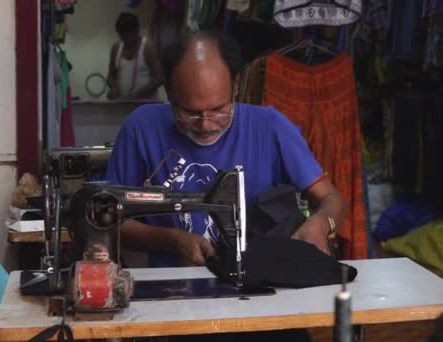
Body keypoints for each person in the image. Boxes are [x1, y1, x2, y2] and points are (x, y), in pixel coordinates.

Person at [105, 31, 347, 269]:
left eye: (218, 109)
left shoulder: (271, 128)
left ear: (236, 85)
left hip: (262, 284)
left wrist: (322, 223)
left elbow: (331, 199)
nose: (205, 124)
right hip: (172, 289)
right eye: (189, 112)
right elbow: (110, 222)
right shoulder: (141, 129)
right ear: (168, 91)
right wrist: (170, 239)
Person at [106, 12, 162, 101]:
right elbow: (110, 76)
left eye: (128, 37)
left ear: (137, 31)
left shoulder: (148, 48)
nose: (125, 40)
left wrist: (137, 95)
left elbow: (160, 79)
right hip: (123, 104)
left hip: (146, 104)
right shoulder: (116, 47)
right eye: (122, 37)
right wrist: (112, 86)